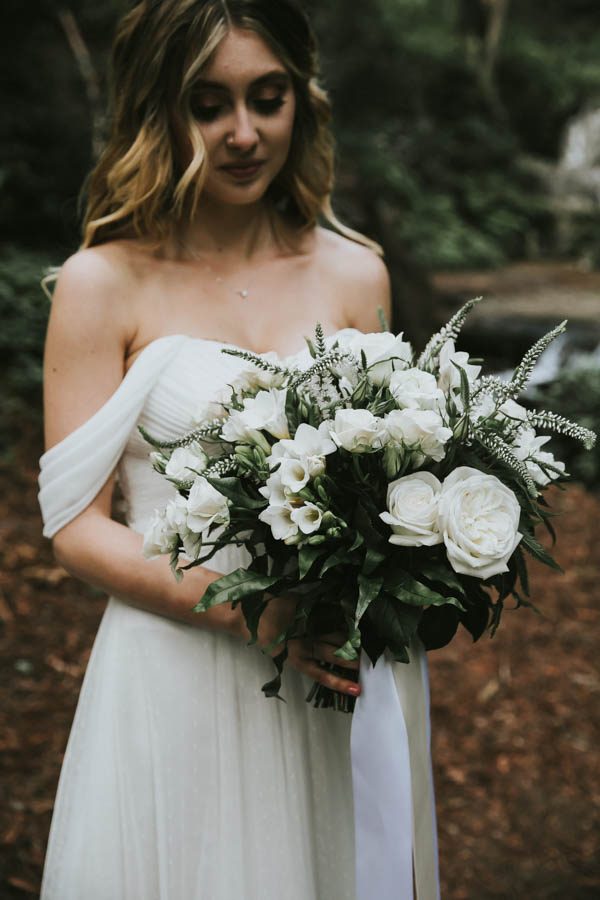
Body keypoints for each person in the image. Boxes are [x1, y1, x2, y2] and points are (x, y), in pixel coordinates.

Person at [38, 2, 439, 897]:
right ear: (157, 111)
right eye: (208, 104)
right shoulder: (103, 282)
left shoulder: (353, 272)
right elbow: (73, 525)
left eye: (269, 96)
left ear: (303, 98)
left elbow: (398, 474)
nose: (245, 133)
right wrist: (248, 613)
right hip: (180, 667)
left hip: (341, 673)